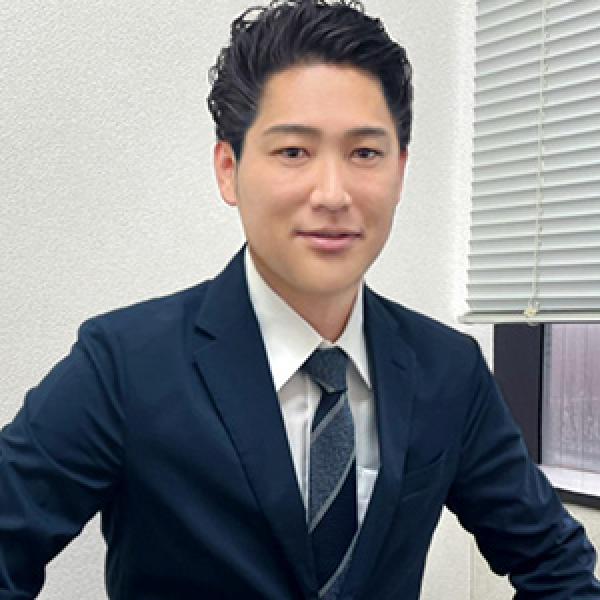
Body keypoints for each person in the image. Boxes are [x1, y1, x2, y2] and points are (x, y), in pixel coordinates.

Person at [1, 0, 599, 598]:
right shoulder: (125, 362)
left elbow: (556, 564)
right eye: (293, 152)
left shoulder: (447, 367)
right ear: (229, 169)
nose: (332, 194)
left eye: (364, 153)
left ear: (400, 171)